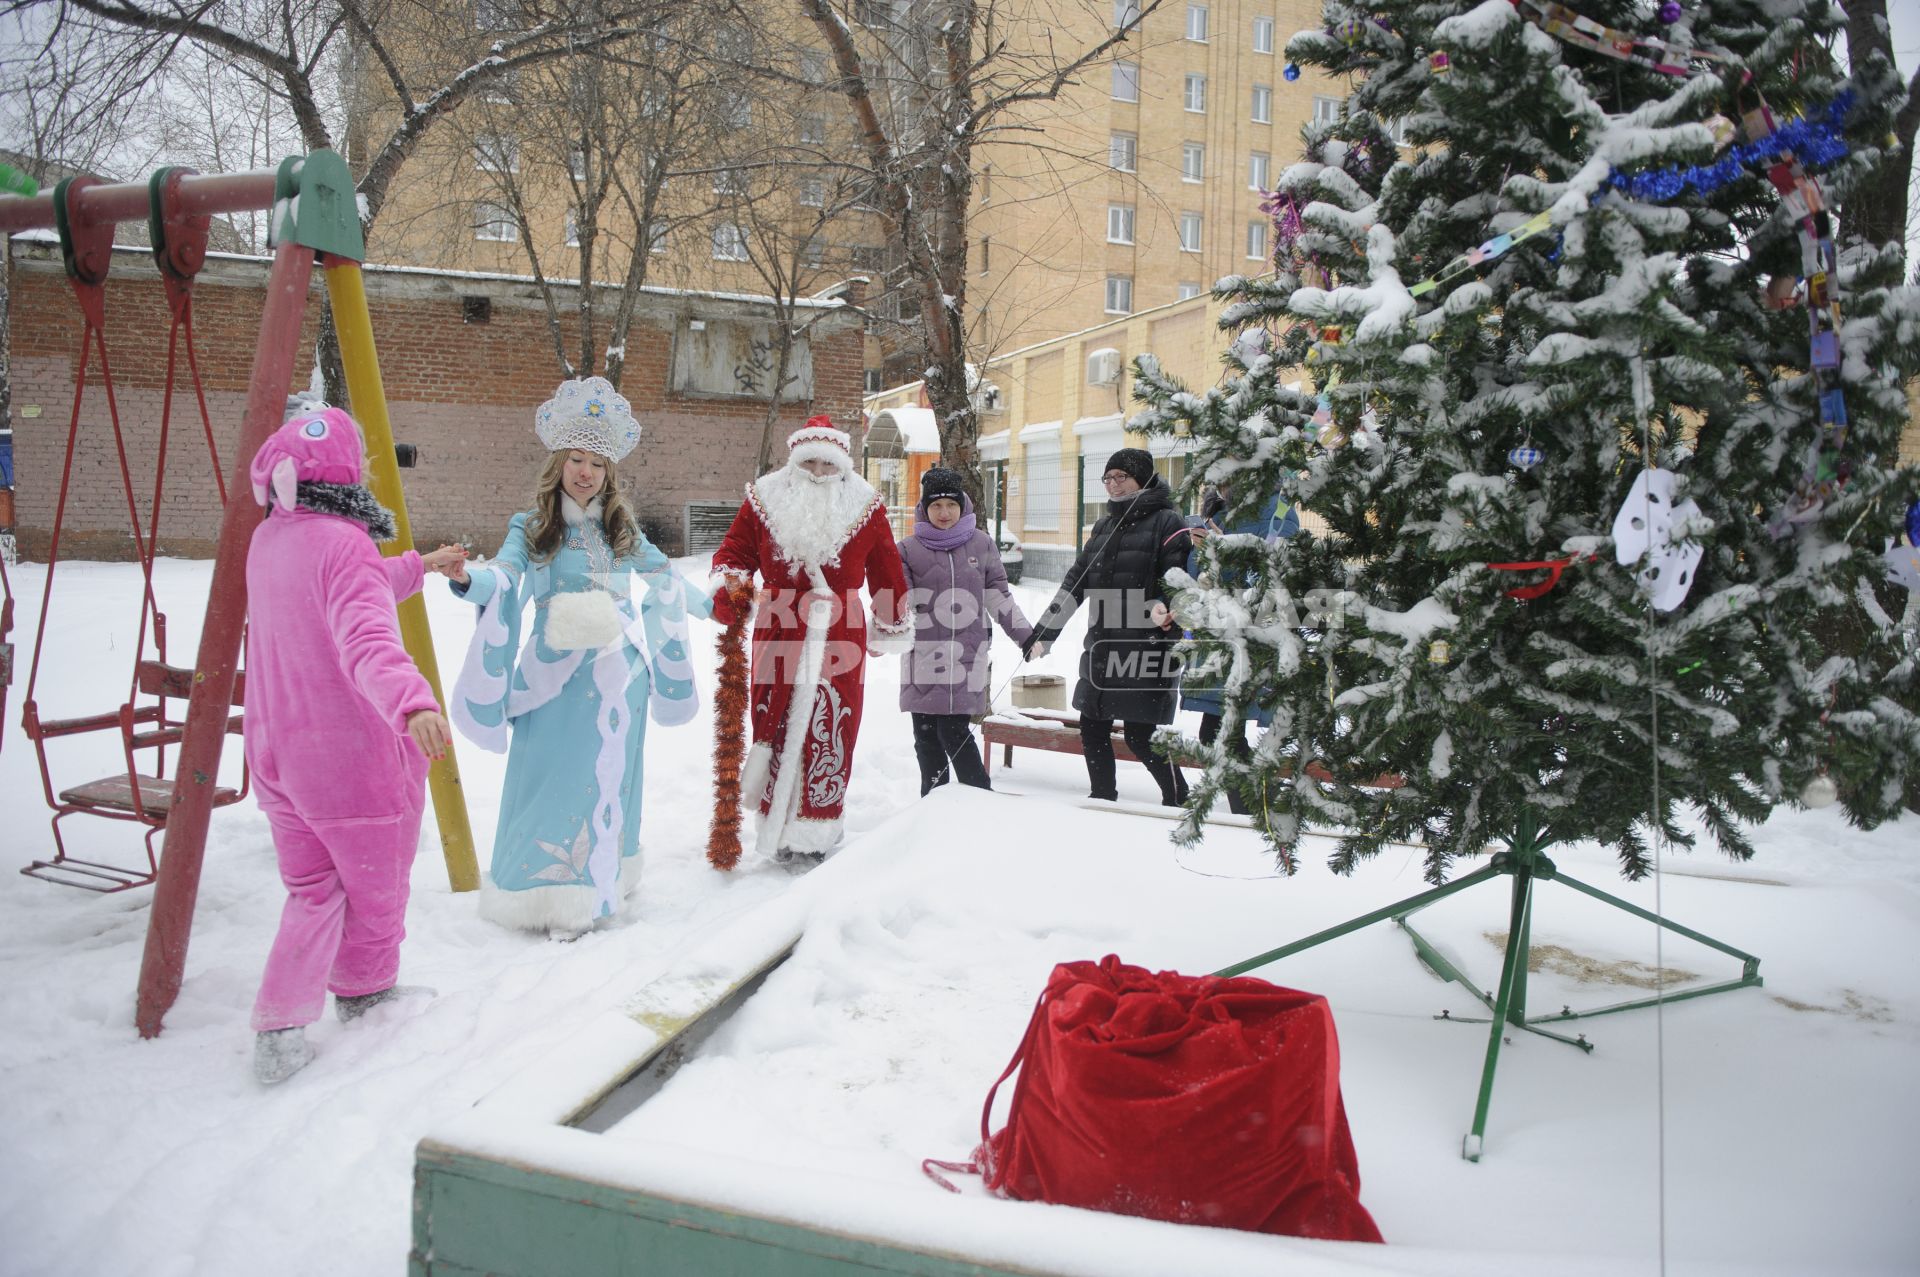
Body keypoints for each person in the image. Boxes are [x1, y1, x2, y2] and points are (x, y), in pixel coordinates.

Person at [440, 377, 705, 937]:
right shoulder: (533, 525)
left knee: (613, 776)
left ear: (610, 473)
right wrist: (468, 579)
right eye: (576, 459)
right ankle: (547, 892)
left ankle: (602, 884)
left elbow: (664, 577)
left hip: (621, 674)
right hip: (555, 679)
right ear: (559, 463)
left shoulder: (621, 526)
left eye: (597, 464)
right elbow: (505, 576)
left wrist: (718, 607)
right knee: (552, 777)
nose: (586, 472)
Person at [245, 407, 462, 1084]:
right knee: (374, 889)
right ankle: (366, 1000)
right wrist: (413, 701)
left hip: (277, 754)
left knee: (313, 889)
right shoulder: (344, 544)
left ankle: (279, 1027)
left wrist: (417, 565)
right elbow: (366, 635)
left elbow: (351, 587)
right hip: (347, 763)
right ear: (345, 476)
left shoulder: (273, 538)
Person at [710, 417, 913, 861]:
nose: (819, 471)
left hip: (840, 628)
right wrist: (732, 583)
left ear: (841, 466)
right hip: (778, 624)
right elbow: (735, 551)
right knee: (773, 719)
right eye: (809, 463)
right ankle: (776, 824)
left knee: (833, 722)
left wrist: (890, 619)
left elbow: (886, 569)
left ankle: (816, 829)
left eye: (827, 464)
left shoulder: (865, 503)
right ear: (794, 463)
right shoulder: (763, 496)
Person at [1025, 448, 1192, 806]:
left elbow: (1177, 578)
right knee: (1093, 725)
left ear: (1143, 478)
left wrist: (1168, 608)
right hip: (1103, 643)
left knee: (1141, 733)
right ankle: (1101, 798)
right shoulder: (1104, 525)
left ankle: (1177, 797)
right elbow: (1076, 581)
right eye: (1109, 478)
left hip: (1145, 645)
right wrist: (1045, 631)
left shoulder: (1167, 522)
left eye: (1122, 477)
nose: (1114, 485)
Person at [895, 466, 1034, 795]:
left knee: (955, 734)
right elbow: (900, 603)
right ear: (924, 509)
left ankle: (980, 801)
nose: (944, 513)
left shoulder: (981, 544)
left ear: (963, 505)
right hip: (924, 657)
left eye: (951, 505)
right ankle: (932, 808)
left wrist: (1025, 636)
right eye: (936, 506)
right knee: (927, 740)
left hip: (966, 656)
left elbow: (998, 596)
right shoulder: (908, 549)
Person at [1178, 483, 1299, 815]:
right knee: (1215, 732)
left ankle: (1258, 809)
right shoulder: (1217, 511)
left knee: (1223, 732)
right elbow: (1200, 576)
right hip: (1219, 636)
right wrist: (1204, 552)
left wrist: (1223, 551)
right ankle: (1255, 808)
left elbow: (1273, 576)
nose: (1225, 481)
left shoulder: (1277, 510)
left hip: (1256, 639)